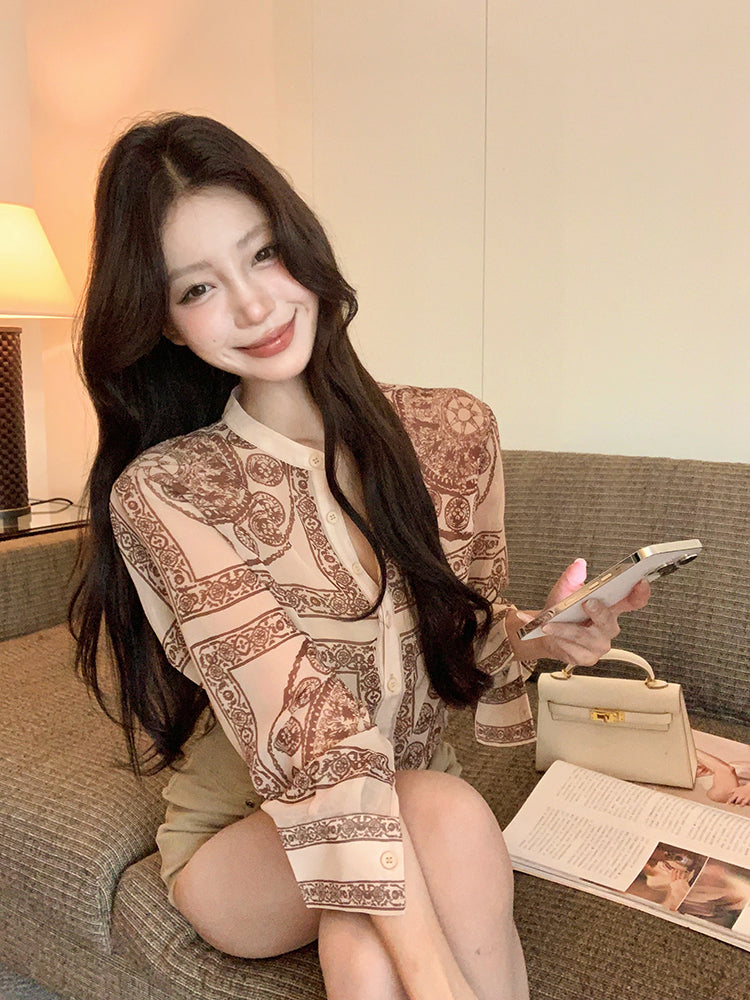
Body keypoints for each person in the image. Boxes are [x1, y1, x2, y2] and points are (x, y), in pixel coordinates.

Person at [70, 113, 650, 1000]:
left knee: (385, 899)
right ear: (168, 324)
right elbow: (310, 741)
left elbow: (457, 641)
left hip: (420, 803)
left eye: (263, 254)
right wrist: (436, 980)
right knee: (431, 830)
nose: (254, 306)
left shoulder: (451, 433)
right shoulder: (170, 490)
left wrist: (542, 637)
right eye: (199, 288)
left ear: (301, 245)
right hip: (252, 838)